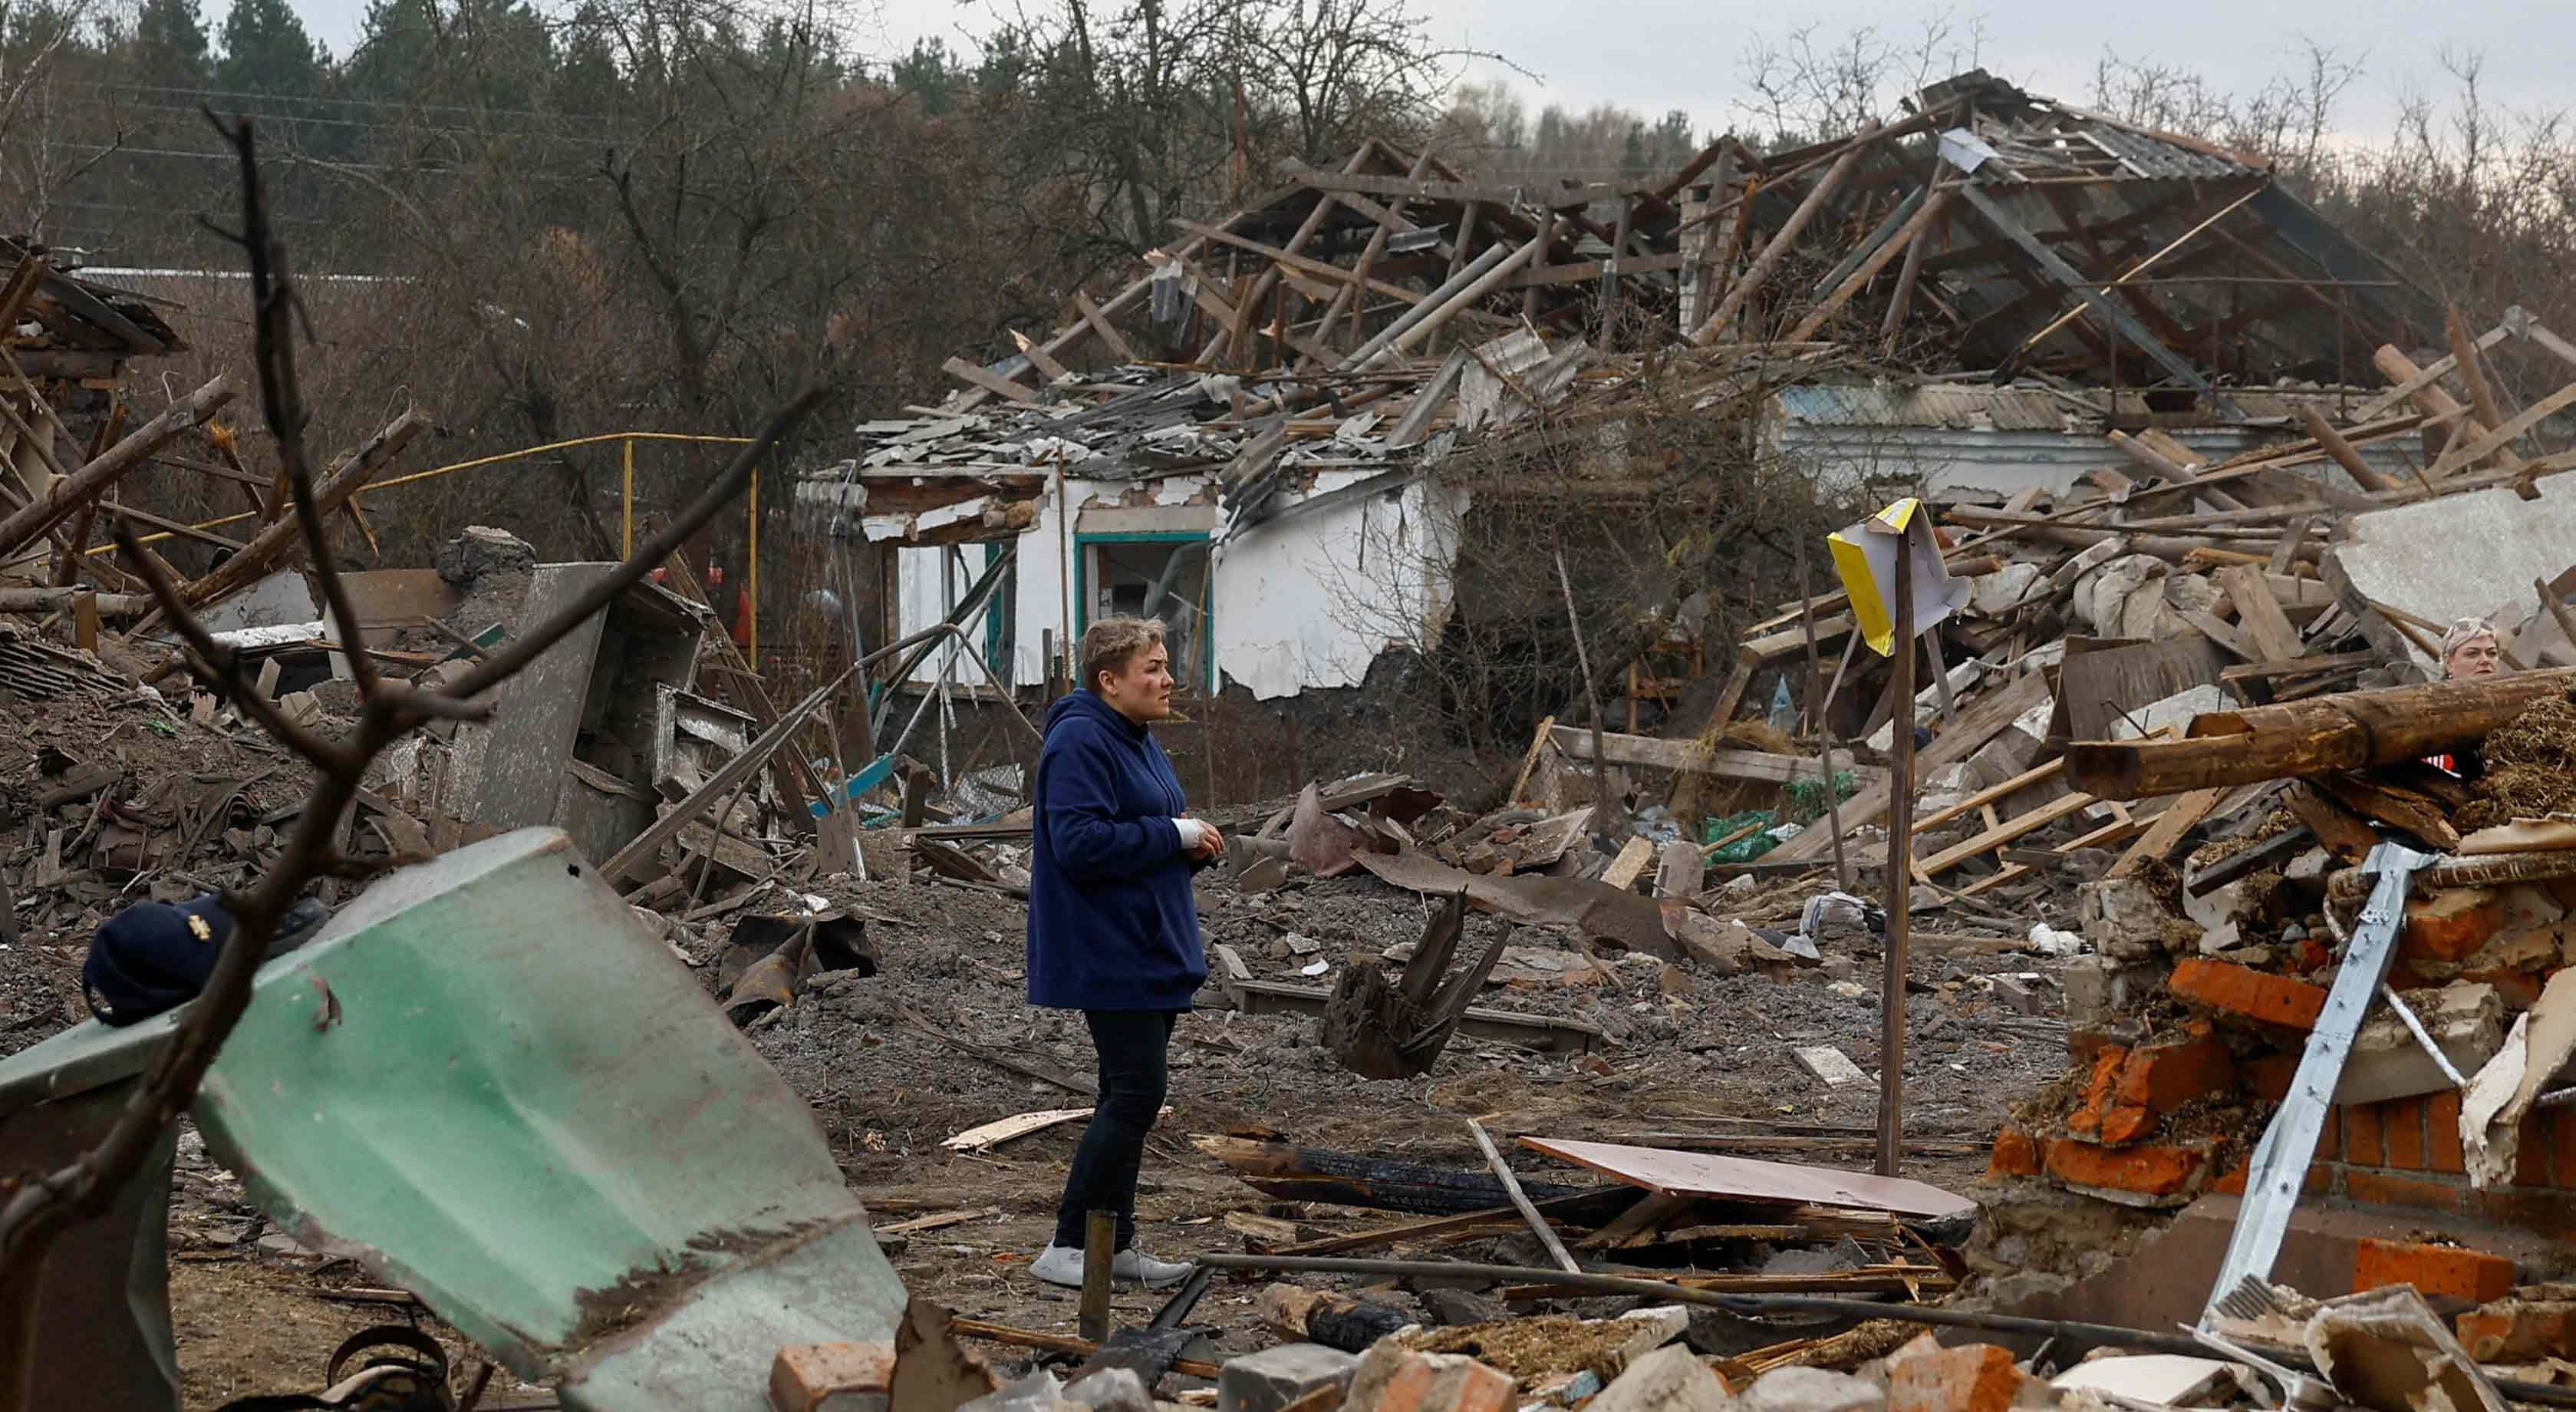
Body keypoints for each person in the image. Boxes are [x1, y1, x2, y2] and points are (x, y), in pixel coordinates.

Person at [1024, 616, 1223, 1290]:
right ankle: (1068, 1245)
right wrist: (1173, 834)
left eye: (1165, 665)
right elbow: (1078, 844)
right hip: (1109, 949)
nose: (1168, 680)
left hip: (1149, 942)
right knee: (1137, 1092)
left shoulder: (1136, 738)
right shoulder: (1080, 740)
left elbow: (1142, 834)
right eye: (1153, 669)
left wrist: (1187, 847)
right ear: (1109, 680)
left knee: (1128, 1094)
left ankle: (1116, 1244)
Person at [2426, 616, 2505, 776]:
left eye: (2492, 653)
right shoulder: (2433, 711)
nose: (2485, 660)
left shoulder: (2509, 704)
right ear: (2449, 663)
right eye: (2472, 654)